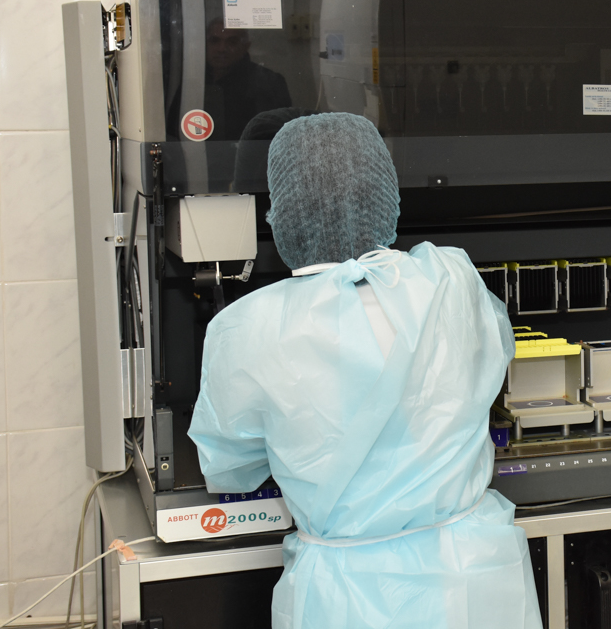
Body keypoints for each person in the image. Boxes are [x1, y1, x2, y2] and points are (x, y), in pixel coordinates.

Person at [188, 113, 542, 629]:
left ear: (280, 213)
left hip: (345, 597)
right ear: (386, 193)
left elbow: (229, 467)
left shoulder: (247, 327)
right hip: (473, 577)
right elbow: (492, 361)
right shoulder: (450, 277)